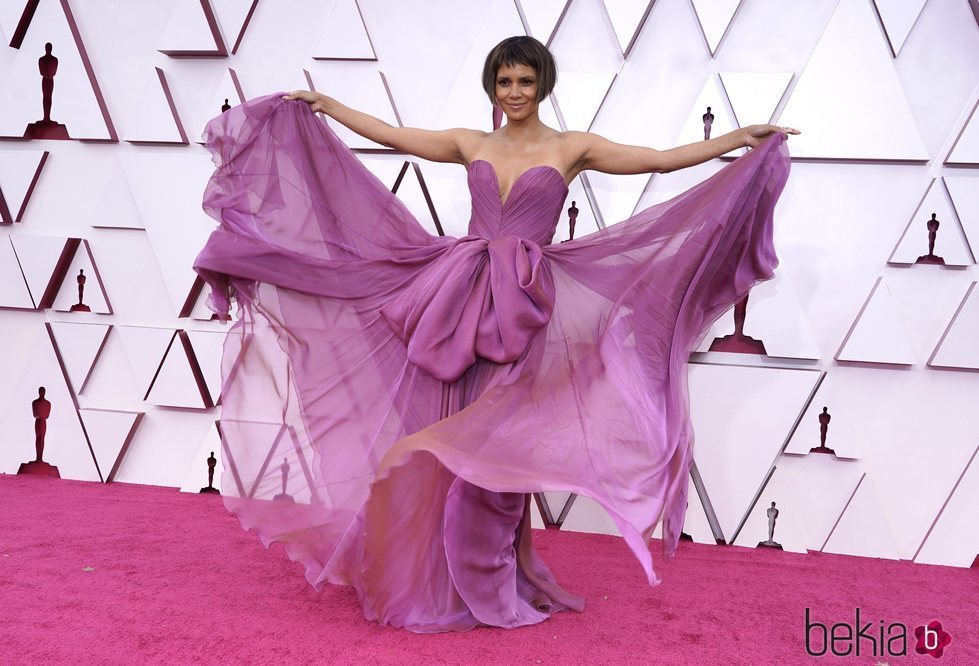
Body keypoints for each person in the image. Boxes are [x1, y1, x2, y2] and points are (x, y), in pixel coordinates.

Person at [193, 35, 796, 633]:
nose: (514, 93)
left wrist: (739, 141)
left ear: (543, 86)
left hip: (525, 304)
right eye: (504, 82)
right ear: (492, 86)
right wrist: (328, 106)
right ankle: (432, 575)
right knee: (443, 419)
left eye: (525, 82)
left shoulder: (573, 147)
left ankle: (488, 573)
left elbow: (660, 159)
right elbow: (394, 136)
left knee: (500, 434)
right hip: (459, 295)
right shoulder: (471, 141)